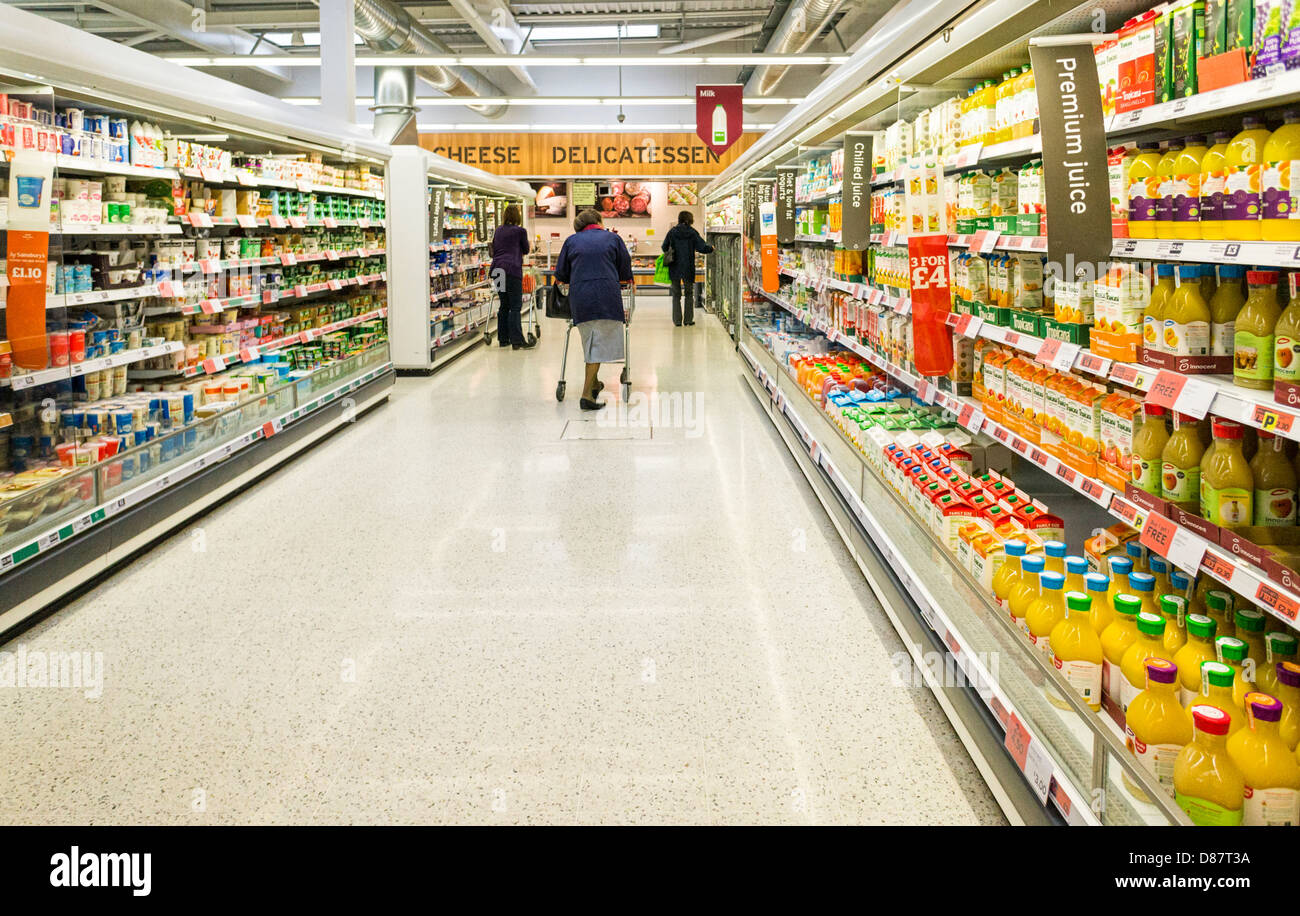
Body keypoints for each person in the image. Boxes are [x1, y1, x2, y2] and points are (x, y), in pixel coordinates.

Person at [554, 209, 632, 410]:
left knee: (591, 341)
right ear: (599, 220)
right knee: (599, 344)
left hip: (581, 298)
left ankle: (595, 384)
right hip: (608, 296)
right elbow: (624, 269)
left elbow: (561, 273)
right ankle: (587, 395)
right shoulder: (613, 239)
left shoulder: (571, 241)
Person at [490, 203, 534, 349]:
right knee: (515, 306)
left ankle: (503, 339)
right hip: (512, 270)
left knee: (504, 304)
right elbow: (526, 250)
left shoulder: (498, 230)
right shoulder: (520, 231)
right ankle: (517, 341)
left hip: (497, 271)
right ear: (518, 216)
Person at [661, 210, 713, 327]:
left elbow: (664, 247)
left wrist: (672, 250)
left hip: (674, 267)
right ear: (689, 220)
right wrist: (711, 248)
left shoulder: (672, 232)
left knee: (676, 295)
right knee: (689, 294)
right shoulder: (692, 232)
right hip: (688, 267)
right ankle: (688, 320)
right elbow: (702, 247)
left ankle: (677, 321)